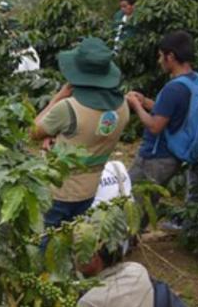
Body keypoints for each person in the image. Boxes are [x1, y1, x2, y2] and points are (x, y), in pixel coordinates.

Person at [30, 37, 130, 228]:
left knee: (44, 238)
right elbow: (85, 134)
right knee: (70, 236)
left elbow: (33, 131)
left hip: (58, 191)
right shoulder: (123, 107)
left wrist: (57, 98)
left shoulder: (68, 108)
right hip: (89, 190)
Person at [126, 31, 198, 194]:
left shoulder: (173, 88)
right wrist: (146, 102)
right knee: (148, 204)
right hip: (172, 155)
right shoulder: (194, 79)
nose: (159, 61)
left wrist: (136, 105)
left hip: (156, 156)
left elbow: (155, 126)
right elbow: (171, 111)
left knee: (131, 202)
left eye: (160, 56)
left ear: (170, 56)